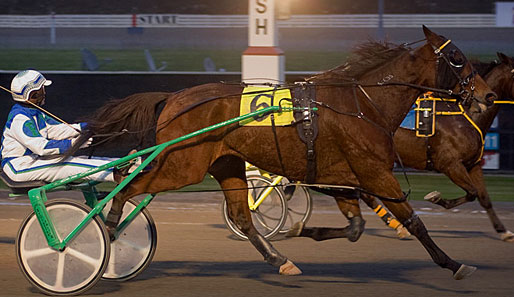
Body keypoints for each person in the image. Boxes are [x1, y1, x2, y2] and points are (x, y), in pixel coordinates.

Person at [1, 70, 126, 184]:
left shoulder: (35, 113)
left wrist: (88, 126)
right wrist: (74, 143)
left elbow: (57, 130)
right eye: (42, 89)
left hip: (33, 161)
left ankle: (126, 164)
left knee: (80, 159)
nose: (44, 92)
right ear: (33, 94)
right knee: (68, 164)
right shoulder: (20, 119)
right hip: (19, 167)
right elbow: (41, 148)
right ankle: (115, 174)